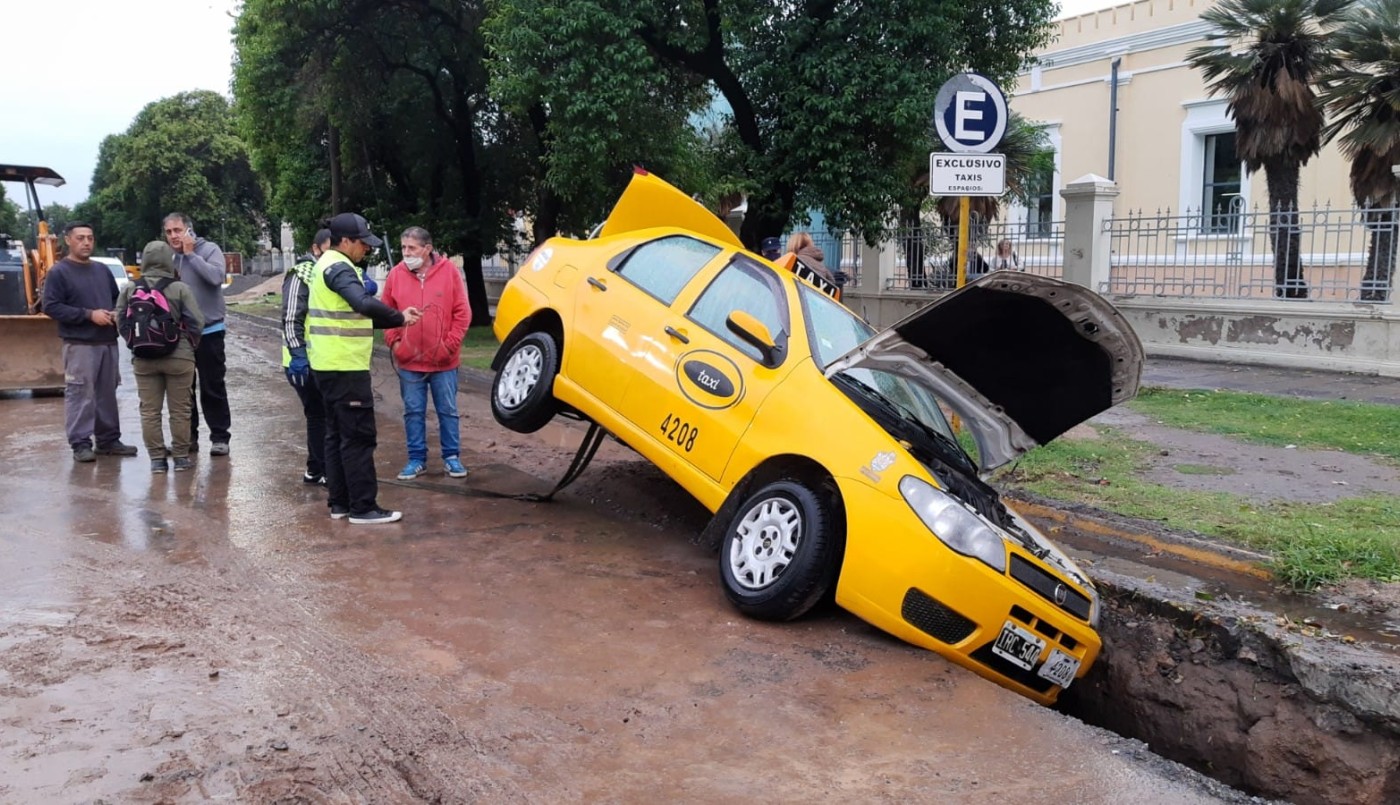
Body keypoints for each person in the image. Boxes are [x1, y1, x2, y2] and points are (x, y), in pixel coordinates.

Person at [308, 212, 422, 525]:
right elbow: (362, 303)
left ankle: (340, 503)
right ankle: (363, 507)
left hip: (328, 365)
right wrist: (399, 318)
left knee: (336, 436)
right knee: (358, 438)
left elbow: (358, 314)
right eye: (362, 243)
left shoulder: (326, 265)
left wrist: (398, 315)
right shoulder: (339, 268)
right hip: (344, 367)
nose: (366, 249)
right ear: (345, 241)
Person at [40, 222, 140, 462]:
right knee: (81, 394)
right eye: (80, 238)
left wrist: (117, 313)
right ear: (68, 240)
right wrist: (88, 315)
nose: (86, 242)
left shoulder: (101, 270)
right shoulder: (59, 272)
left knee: (107, 393)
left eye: (90, 238)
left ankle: (108, 441)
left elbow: (117, 300)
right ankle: (80, 443)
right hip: (80, 344)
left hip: (107, 341)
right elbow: (51, 306)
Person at [381, 226, 471, 481]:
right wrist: (396, 343)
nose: (406, 253)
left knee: (448, 410)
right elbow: (386, 312)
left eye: (412, 248)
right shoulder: (396, 275)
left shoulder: (450, 273)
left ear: (427, 249)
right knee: (412, 411)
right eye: (403, 248)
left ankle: (451, 457)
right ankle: (416, 459)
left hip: (444, 362)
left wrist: (448, 346)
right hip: (409, 362)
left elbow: (462, 314)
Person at [117, 241, 204, 473]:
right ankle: (181, 457)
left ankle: (157, 459)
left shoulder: (130, 288)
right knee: (180, 410)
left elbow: (120, 320)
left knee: (149, 410)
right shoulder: (180, 288)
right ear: (169, 260)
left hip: (144, 358)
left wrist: (133, 342)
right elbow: (197, 321)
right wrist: (188, 343)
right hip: (180, 357)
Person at [163, 213, 230, 457]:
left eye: (178, 230)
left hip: (210, 331)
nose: (174, 236)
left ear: (189, 231)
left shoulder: (209, 250)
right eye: (169, 232)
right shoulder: (168, 258)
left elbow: (216, 278)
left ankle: (220, 437)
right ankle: (187, 439)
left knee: (212, 387)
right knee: (182, 390)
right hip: (179, 336)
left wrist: (191, 255)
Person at [281, 228, 331, 485]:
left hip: (323, 359)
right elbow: (291, 318)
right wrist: (298, 354)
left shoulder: (328, 274)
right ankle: (320, 469)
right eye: (328, 249)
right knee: (319, 414)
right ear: (315, 248)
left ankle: (315, 468)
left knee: (320, 414)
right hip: (302, 362)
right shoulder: (302, 274)